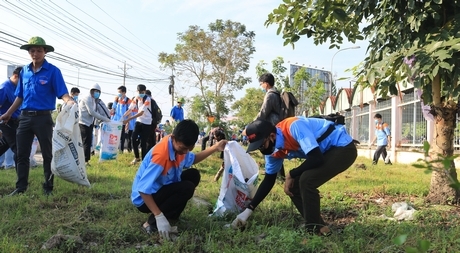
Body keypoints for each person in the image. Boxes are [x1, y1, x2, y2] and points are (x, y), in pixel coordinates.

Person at [230, 117, 357, 235]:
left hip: (343, 148)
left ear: (272, 136)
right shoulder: (272, 152)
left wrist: (291, 174)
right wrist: (248, 210)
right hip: (325, 153)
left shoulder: (294, 127)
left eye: (261, 145)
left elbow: (316, 158)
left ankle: (313, 231)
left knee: (306, 180)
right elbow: (269, 180)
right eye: (257, 147)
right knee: (293, 187)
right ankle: (319, 226)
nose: (261, 150)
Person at [0, 36, 75, 196]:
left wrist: (69, 101)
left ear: (45, 52)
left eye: (39, 50)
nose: (35, 53)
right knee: (21, 154)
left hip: (43, 118)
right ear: (29, 52)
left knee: (47, 154)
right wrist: (8, 113)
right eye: (32, 50)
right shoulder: (25, 71)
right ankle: (20, 187)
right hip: (25, 118)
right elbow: (19, 97)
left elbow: (62, 92)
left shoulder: (53, 71)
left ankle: (48, 187)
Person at [131, 119, 227, 240]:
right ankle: (151, 223)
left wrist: (215, 148)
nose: (185, 152)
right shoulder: (161, 155)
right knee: (186, 187)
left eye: (189, 149)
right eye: (182, 148)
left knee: (193, 175)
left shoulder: (179, 148)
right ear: (173, 137)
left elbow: (193, 159)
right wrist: (158, 215)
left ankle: (171, 217)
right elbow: (143, 190)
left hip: (161, 188)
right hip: (144, 199)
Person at [256, 73, 285, 179]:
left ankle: (274, 175)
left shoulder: (270, 95)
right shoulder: (276, 93)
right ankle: (279, 175)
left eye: (261, 84)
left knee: (270, 149)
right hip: (277, 125)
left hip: (272, 125)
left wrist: (253, 124)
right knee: (276, 150)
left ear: (266, 84)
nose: (261, 87)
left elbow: (263, 112)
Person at [78, 83, 111, 166]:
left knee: (88, 142)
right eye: (96, 91)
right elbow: (92, 112)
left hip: (89, 123)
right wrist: (104, 118)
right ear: (92, 91)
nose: (97, 93)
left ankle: (86, 160)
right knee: (85, 141)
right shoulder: (87, 98)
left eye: (98, 92)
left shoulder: (93, 99)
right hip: (83, 122)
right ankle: (84, 161)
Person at [123, 84, 153, 164]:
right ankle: (137, 157)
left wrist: (129, 119)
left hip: (147, 122)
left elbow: (141, 113)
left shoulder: (148, 99)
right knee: (133, 138)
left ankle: (144, 160)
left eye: (142, 92)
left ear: (145, 91)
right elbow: (130, 109)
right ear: (137, 91)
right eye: (139, 92)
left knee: (143, 142)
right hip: (139, 121)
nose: (141, 93)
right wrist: (123, 117)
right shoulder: (136, 98)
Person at [0, 66, 22, 171]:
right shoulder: (4, 88)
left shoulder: (17, 88)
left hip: (17, 122)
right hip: (6, 123)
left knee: (3, 146)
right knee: (19, 150)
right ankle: (21, 182)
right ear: (15, 76)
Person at [111, 86, 131, 153]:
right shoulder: (117, 99)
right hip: (115, 121)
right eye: (118, 92)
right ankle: (114, 150)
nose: (118, 93)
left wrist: (128, 121)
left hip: (123, 122)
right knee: (115, 136)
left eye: (120, 92)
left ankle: (121, 150)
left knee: (122, 137)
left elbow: (129, 111)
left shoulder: (128, 101)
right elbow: (113, 108)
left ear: (124, 92)